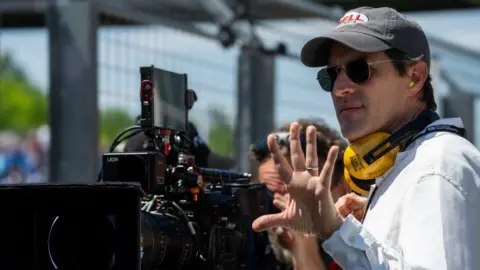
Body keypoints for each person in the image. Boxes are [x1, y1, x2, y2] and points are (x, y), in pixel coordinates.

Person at [252, 6, 480, 269]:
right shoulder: (414, 167)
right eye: (332, 74)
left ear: (414, 78)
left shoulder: (436, 168)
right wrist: (347, 229)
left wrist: (336, 231)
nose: (339, 88)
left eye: (360, 69)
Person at [250, 119, 349, 270]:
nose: (285, 208)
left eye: (301, 194)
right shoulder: (252, 242)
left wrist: (304, 249)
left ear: (343, 188)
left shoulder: (365, 246)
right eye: (269, 195)